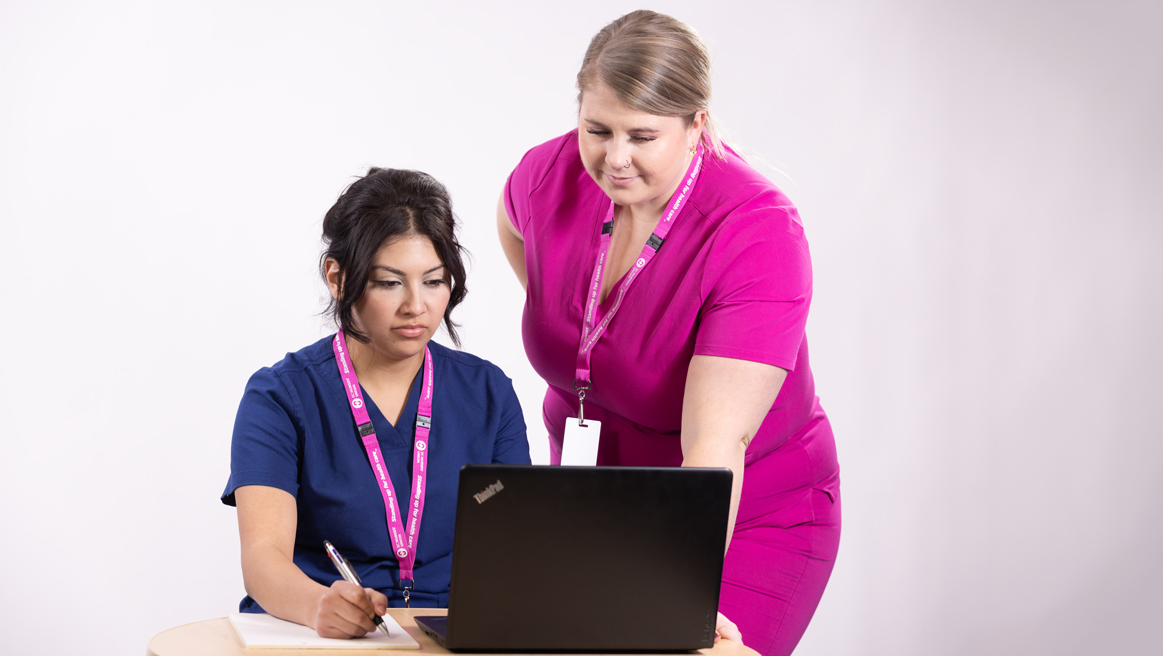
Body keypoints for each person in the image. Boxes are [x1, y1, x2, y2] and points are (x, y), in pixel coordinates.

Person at [495, 10, 840, 656]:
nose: (613, 158)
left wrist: (685, 591)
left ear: (695, 127)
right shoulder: (548, 176)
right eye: (596, 129)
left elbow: (717, 443)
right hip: (593, 499)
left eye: (642, 136)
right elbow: (512, 221)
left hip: (741, 515)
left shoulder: (757, 232)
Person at [222, 167, 531, 639]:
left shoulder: (488, 393)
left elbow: (516, 545)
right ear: (338, 278)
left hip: (450, 633)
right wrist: (317, 606)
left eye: (434, 281)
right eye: (390, 283)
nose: (416, 306)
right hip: (319, 634)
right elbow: (262, 560)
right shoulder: (280, 397)